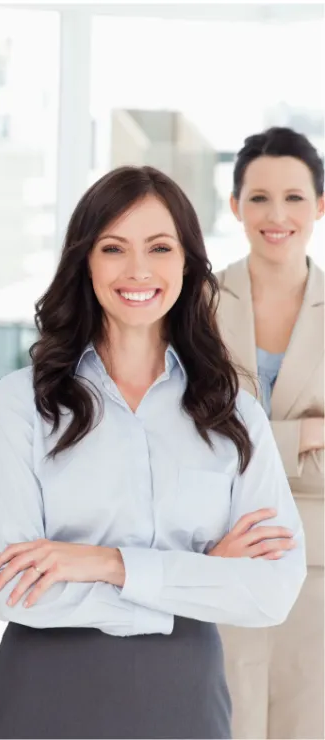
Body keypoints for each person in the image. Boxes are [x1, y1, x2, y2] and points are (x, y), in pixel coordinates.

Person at [0, 165, 307, 739]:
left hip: (185, 699)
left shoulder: (234, 414)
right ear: (85, 261)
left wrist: (104, 563)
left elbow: (271, 592)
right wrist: (201, 576)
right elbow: (18, 592)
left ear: (187, 263)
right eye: (113, 248)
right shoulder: (21, 404)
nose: (138, 270)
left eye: (159, 247)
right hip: (44, 697)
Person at [216, 126, 324, 740]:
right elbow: (187, 439)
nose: (275, 215)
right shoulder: (195, 302)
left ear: (320, 206)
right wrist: (305, 435)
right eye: (258, 198)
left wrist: (246, 443)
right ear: (235, 206)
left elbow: (222, 437)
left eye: (293, 198)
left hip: (319, 573)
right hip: (219, 554)